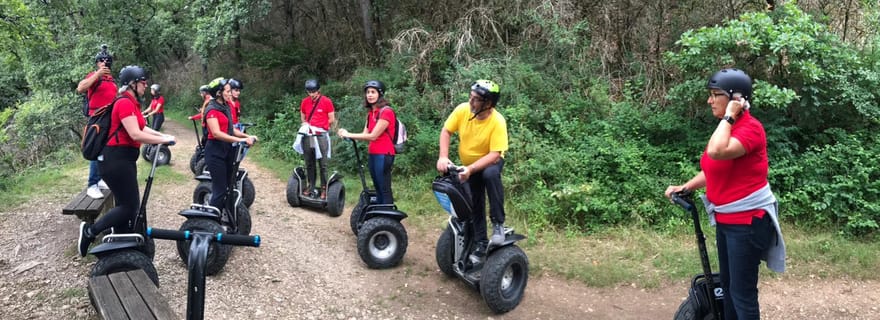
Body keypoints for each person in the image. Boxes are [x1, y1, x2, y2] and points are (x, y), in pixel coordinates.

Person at [664, 68, 785, 320]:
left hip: (748, 223)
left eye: (715, 94)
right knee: (728, 289)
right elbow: (713, 169)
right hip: (727, 221)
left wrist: (728, 117)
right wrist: (686, 186)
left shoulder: (750, 129)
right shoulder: (728, 129)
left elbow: (717, 152)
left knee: (742, 294)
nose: (709, 100)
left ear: (735, 99)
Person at [77, 65, 176, 257]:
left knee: (125, 204)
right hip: (115, 160)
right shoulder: (123, 103)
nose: (145, 85)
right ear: (131, 83)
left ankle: (120, 241)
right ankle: (90, 231)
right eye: (142, 82)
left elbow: (142, 128)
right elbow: (135, 134)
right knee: (130, 207)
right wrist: (163, 140)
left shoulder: (131, 102)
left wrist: (163, 136)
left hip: (121, 160)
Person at [436, 79, 509, 262]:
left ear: (488, 103)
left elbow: (495, 154)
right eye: (471, 97)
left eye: (476, 99)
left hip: (489, 163)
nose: (471, 102)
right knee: (475, 201)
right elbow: (446, 131)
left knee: (490, 174)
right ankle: (481, 242)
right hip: (469, 166)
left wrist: (471, 169)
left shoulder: (497, 121)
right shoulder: (463, 110)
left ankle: (498, 224)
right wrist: (443, 156)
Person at [202, 77, 258, 210]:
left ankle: (226, 216)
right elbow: (216, 133)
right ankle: (212, 222)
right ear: (218, 93)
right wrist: (240, 140)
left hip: (227, 150)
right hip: (215, 152)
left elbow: (231, 129)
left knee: (229, 186)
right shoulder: (211, 109)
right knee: (220, 189)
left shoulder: (226, 106)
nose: (229, 93)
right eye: (227, 91)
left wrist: (247, 136)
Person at [338, 80, 395, 204]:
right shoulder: (371, 114)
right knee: (377, 185)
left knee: (384, 186)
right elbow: (365, 134)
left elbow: (373, 136)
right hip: (373, 153)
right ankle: (379, 214)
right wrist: (347, 134)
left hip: (384, 154)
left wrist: (349, 134)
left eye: (373, 92)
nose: (369, 95)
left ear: (380, 94)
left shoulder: (386, 112)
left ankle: (388, 215)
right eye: (368, 92)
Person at [76, 45, 117, 199]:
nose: (104, 63)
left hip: (109, 120)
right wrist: (98, 74)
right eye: (101, 61)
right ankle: (92, 184)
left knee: (104, 152)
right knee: (95, 149)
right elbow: (80, 88)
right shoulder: (93, 76)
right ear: (97, 63)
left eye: (107, 61)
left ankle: (100, 179)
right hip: (96, 118)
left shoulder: (112, 81)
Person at [298, 79, 336, 199]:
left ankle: (324, 187)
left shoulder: (326, 101)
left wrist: (321, 126)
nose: (311, 94)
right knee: (309, 162)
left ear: (318, 90)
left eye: (313, 91)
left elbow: (331, 119)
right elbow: (303, 118)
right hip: (308, 135)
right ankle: (311, 185)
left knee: (323, 164)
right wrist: (306, 125)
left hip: (321, 135)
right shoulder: (305, 102)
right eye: (309, 92)